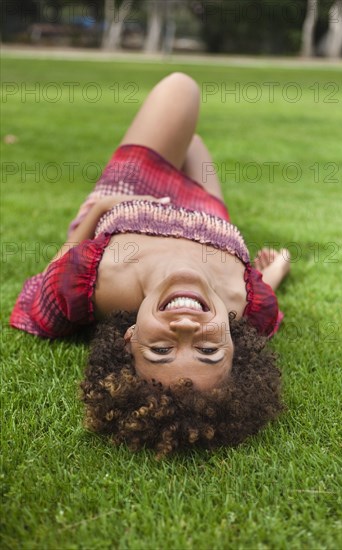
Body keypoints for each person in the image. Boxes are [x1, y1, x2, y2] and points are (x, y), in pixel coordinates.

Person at [10, 73, 290, 457]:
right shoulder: (246, 303)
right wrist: (278, 269)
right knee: (193, 143)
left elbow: (41, 289)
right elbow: (268, 293)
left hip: (130, 198)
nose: (187, 327)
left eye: (160, 349)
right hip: (209, 216)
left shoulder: (97, 283)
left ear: (130, 338)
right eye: (208, 350)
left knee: (180, 88)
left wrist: (99, 210)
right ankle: (176, 153)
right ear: (232, 341)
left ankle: (161, 157)